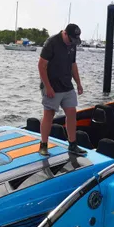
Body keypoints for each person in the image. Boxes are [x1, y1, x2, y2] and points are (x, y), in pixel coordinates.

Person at [37, 23, 86, 157]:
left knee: (71, 112)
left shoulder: (72, 44)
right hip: (51, 85)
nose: (72, 43)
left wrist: (78, 83)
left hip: (67, 84)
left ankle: (72, 144)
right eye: (71, 40)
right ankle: (43, 145)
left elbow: (73, 65)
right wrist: (48, 87)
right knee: (49, 114)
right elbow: (41, 66)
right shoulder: (51, 42)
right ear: (65, 34)